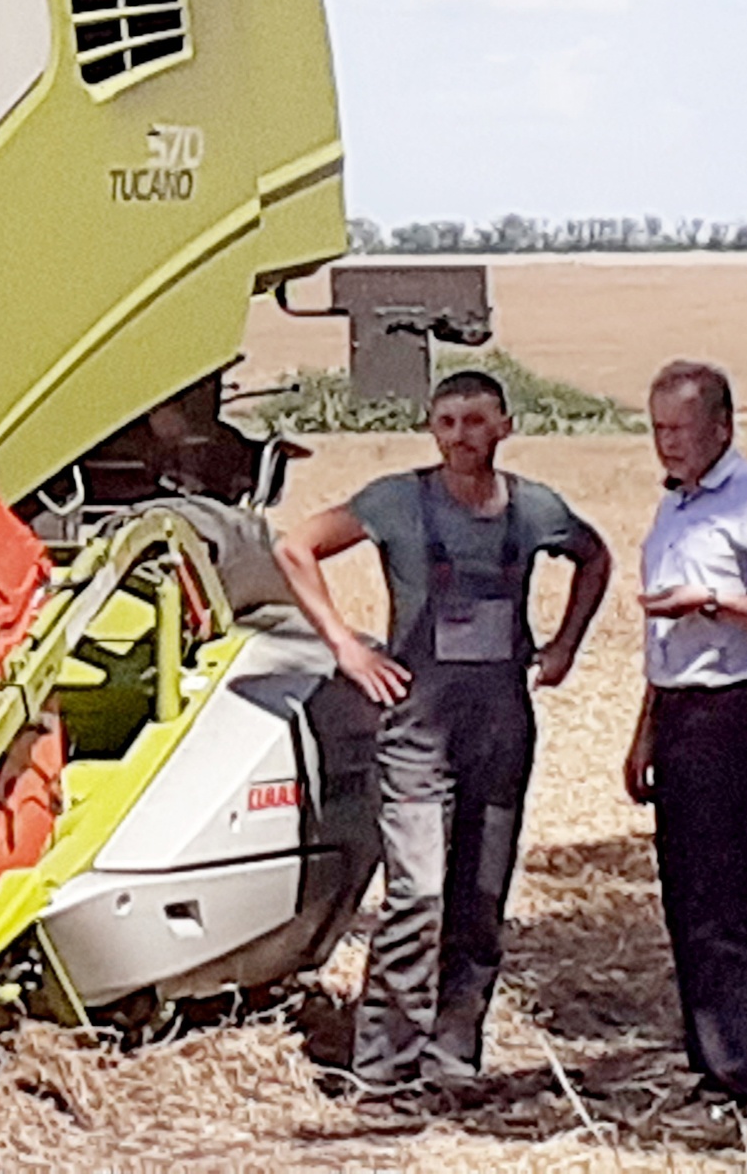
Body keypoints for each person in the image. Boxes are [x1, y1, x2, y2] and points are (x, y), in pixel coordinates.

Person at [274, 368, 611, 1096]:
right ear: (433, 429)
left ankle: (454, 1060)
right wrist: (346, 648)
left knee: (479, 902)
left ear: (505, 427)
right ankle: (385, 1070)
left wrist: (565, 647)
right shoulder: (396, 501)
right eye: (448, 421)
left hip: (499, 732)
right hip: (417, 736)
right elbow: (296, 547)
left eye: (476, 421)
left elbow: (596, 557)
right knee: (418, 895)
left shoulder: (533, 509)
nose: (461, 436)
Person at [625, 360, 747, 1131]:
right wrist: (644, 730)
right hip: (678, 715)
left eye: (678, 429)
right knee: (685, 900)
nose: (665, 445)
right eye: (656, 430)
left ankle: (741, 1086)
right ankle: (708, 1069)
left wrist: (710, 601)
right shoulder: (674, 510)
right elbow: (661, 633)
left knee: (724, 905)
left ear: (722, 428)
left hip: (732, 714)